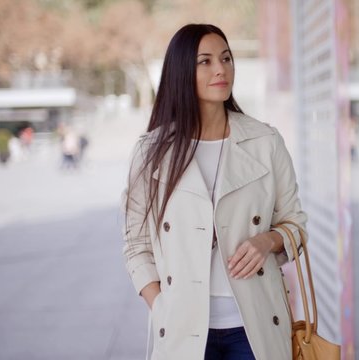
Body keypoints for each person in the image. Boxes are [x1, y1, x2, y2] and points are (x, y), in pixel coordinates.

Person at [122, 24, 307, 360]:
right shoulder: (151, 151)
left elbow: (296, 224)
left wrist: (266, 241)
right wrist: (161, 304)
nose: (220, 69)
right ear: (181, 72)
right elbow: (136, 245)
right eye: (204, 61)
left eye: (226, 58)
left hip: (255, 326)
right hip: (183, 328)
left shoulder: (265, 141)